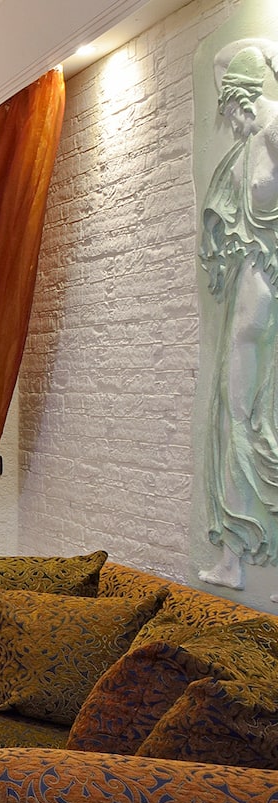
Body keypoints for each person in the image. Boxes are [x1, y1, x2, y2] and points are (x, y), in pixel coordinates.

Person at [197, 38, 278, 591]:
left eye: (229, 112)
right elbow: (227, 57)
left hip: (259, 305)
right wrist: (264, 48)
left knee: (241, 418)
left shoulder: (270, 132)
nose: (228, 124)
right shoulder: (255, 137)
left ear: (243, 103)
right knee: (232, 419)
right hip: (247, 313)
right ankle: (233, 557)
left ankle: (239, 556)